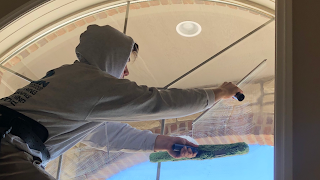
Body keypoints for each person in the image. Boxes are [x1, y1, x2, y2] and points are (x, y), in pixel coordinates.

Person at [0, 25, 242, 180]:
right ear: (110, 56)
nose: (125, 73)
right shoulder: (90, 82)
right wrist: (217, 93)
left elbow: (103, 135)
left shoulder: (67, 78)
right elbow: (156, 102)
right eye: (124, 62)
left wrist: (165, 142)